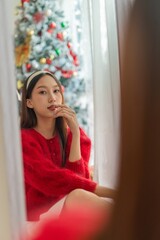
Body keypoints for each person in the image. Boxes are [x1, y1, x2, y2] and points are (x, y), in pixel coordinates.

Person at [20, 70, 115, 223]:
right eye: (43, 92)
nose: (52, 98)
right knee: (78, 197)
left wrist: (76, 134)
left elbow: (79, 181)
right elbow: (51, 180)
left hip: (69, 211)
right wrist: (114, 193)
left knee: (79, 198)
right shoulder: (23, 139)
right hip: (37, 220)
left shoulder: (74, 135)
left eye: (56, 91)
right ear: (29, 102)